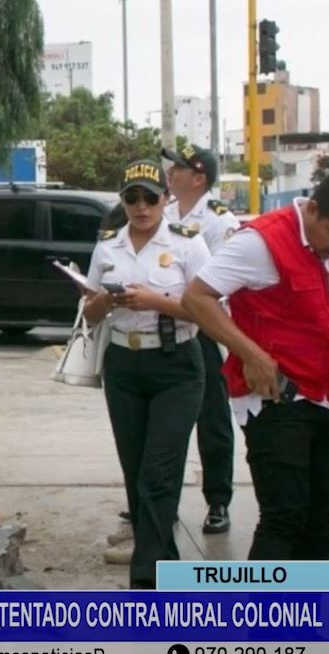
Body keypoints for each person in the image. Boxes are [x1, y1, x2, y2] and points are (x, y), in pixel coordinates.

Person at [181, 171, 329, 561]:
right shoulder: (261, 242)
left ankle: (307, 599)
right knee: (285, 517)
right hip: (275, 394)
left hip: (322, 394)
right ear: (313, 209)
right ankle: (265, 602)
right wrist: (252, 355)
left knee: (326, 516)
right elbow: (197, 298)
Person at [81, 160, 211, 588]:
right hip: (124, 365)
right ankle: (165, 566)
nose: (141, 207)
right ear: (122, 201)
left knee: (159, 474)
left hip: (176, 365)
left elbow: (213, 311)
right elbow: (87, 312)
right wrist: (105, 302)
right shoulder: (108, 247)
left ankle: (146, 582)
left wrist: (156, 301)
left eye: (150, 198)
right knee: (137, 475)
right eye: (132, 198)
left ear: (166, 200)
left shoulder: (188, 244)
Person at [163, 143, 241, 534]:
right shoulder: (164, 212)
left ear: (198, 178)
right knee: (166, 423)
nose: (170, 172)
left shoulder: (218, 220)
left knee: (212, 420)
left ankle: (218, 501)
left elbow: (225, 282)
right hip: (165, 327)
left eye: (178, 168)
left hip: (204, 331)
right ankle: (162, 499)